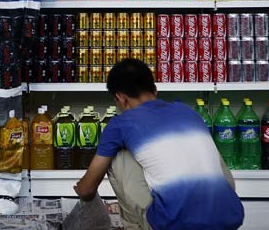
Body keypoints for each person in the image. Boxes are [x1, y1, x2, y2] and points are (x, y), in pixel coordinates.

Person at [74, 58, 245, 230]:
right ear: (155, 90)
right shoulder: (189, 112)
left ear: (120, 98)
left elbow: (87, 190)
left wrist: (81, 189)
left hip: (173, 225)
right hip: (230, 217)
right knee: (197, 149)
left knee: (118, 154)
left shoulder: (120, 124)